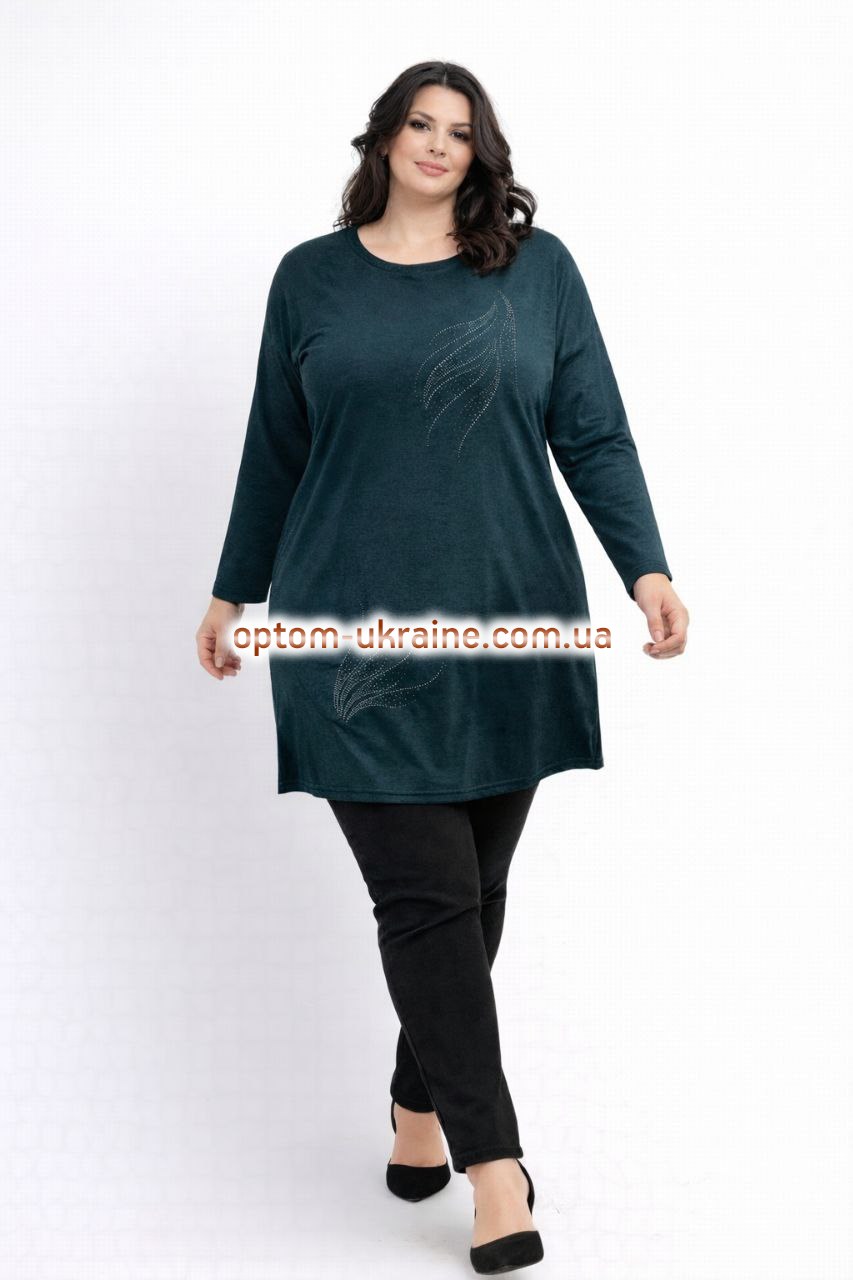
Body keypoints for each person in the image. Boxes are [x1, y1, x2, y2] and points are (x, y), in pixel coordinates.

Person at [196, 60, 689, 1276]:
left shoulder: (537, 270)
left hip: (509, 621)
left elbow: (592, 428)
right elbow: (274, 444)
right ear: (383, 137)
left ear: (481, 153)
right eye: (419, 123)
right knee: (424, 897)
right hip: (344, 632)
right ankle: (495, 1168)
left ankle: (418, 1103)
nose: (436, 143)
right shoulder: (311, 279)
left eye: (459, 131)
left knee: (474, 886)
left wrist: (645, 567)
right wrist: (231, 590)